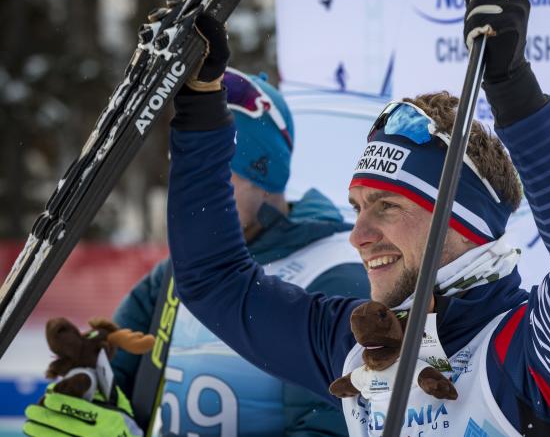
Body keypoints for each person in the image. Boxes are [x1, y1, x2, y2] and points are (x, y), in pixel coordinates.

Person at [122, 0, 550, 435]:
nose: (358, 234)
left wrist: (510, 86)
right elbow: (214, 282)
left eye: (386, 206)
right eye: (357, 208)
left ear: (461, 220)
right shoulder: (355, 342)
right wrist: (201, 108)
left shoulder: (527, 356)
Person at [22, 63, 369, 437]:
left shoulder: (337, 272)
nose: (200, 200)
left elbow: (339, 425)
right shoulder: (174, 274)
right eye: (192, 180)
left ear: (263, 173)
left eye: (218, 179)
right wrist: (88, 395)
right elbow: (115, 380)